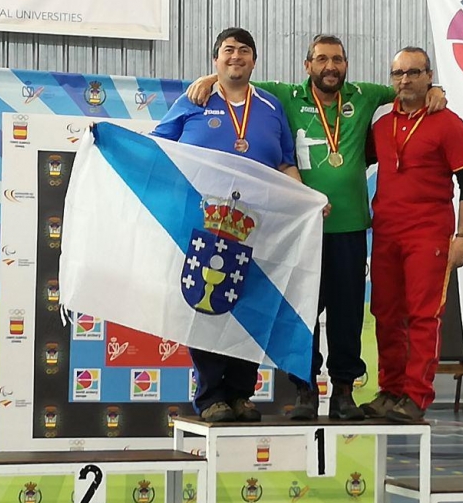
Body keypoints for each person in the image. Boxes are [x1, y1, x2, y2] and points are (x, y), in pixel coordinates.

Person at [186, 35, 446, 421]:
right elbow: (238, 79)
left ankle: (343, 391)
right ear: (307, 65)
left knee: (346, 316)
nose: (330, 66)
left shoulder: (365, 95)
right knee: (302, 312)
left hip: (351, 228)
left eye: (337, 60)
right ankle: (305, 391)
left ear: (346, 65)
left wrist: (437, 88)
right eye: (322, 59)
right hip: (300, 230)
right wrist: (210, 78)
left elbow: (406, 89)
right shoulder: (284, 96)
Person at [151, 27, 301, 423]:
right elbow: (158, 147)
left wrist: (308, 201)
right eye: (228, 51)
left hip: (258, 228)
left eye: (244, 51)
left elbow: (286, 162)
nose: (236, 56)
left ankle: (240, 393)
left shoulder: (270, 107)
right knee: (206, 304)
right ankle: (211, 396)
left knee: (250, 305)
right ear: (215, 59)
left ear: (254, 61)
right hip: (204, 227)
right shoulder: (195, 99)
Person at [361, 46, 463, 423]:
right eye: (398, 74)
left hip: (429, 234)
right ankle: (391, 389)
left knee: (424, 315)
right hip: (386, 233)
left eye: (414, 73)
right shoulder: (381, 127)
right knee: (385, 312)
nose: (405, 80)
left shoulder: (448, 123)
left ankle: (416, 396)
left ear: (429, 76)